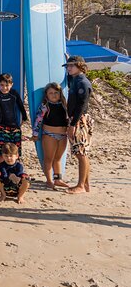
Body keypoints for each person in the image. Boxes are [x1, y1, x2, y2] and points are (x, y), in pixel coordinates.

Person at [63, 56, 93, 195]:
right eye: (67, 66)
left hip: (80, 120)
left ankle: (81, 185)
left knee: (81, 153)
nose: (68, 68)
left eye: (72, 66)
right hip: (77, 119)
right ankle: (85, 183)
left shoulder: (82, 82)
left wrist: (73, 124)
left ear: (80, 66)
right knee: (81, 152)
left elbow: (82, 104)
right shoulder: (75, 79)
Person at [31, 82, 69, 189]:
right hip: (49, 135)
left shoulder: (64, 104)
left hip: (63, 135)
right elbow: (38, 120)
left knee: (58, 158)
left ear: (60, 93)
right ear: (46, 95)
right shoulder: (45, 106)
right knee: (48, 158)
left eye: (56, 92)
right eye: (50, 93)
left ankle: (58, 179)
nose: (53, 95)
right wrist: (35, 134)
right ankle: (49, 180)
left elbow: (68, 119)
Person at [0, 73, 28, 164]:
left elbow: (20, 105)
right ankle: (0, 174)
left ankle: (15, 172)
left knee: (15, 153)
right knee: (2, 153)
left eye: (7, 85)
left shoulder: (14, 93)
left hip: (15, 128)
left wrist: (25, 117)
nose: (4, 88)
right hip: (1, 128)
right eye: (2, 85)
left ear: (11, 85)